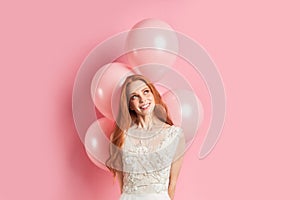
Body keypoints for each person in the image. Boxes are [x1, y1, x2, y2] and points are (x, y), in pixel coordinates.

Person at [106, 74, 185, 200]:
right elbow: (123, 189)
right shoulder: (119, 138)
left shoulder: (175, 135)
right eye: (135, 96)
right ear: (129, 105)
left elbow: (172, 185)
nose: (143, 100)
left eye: (146, 92)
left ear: (153, 94)